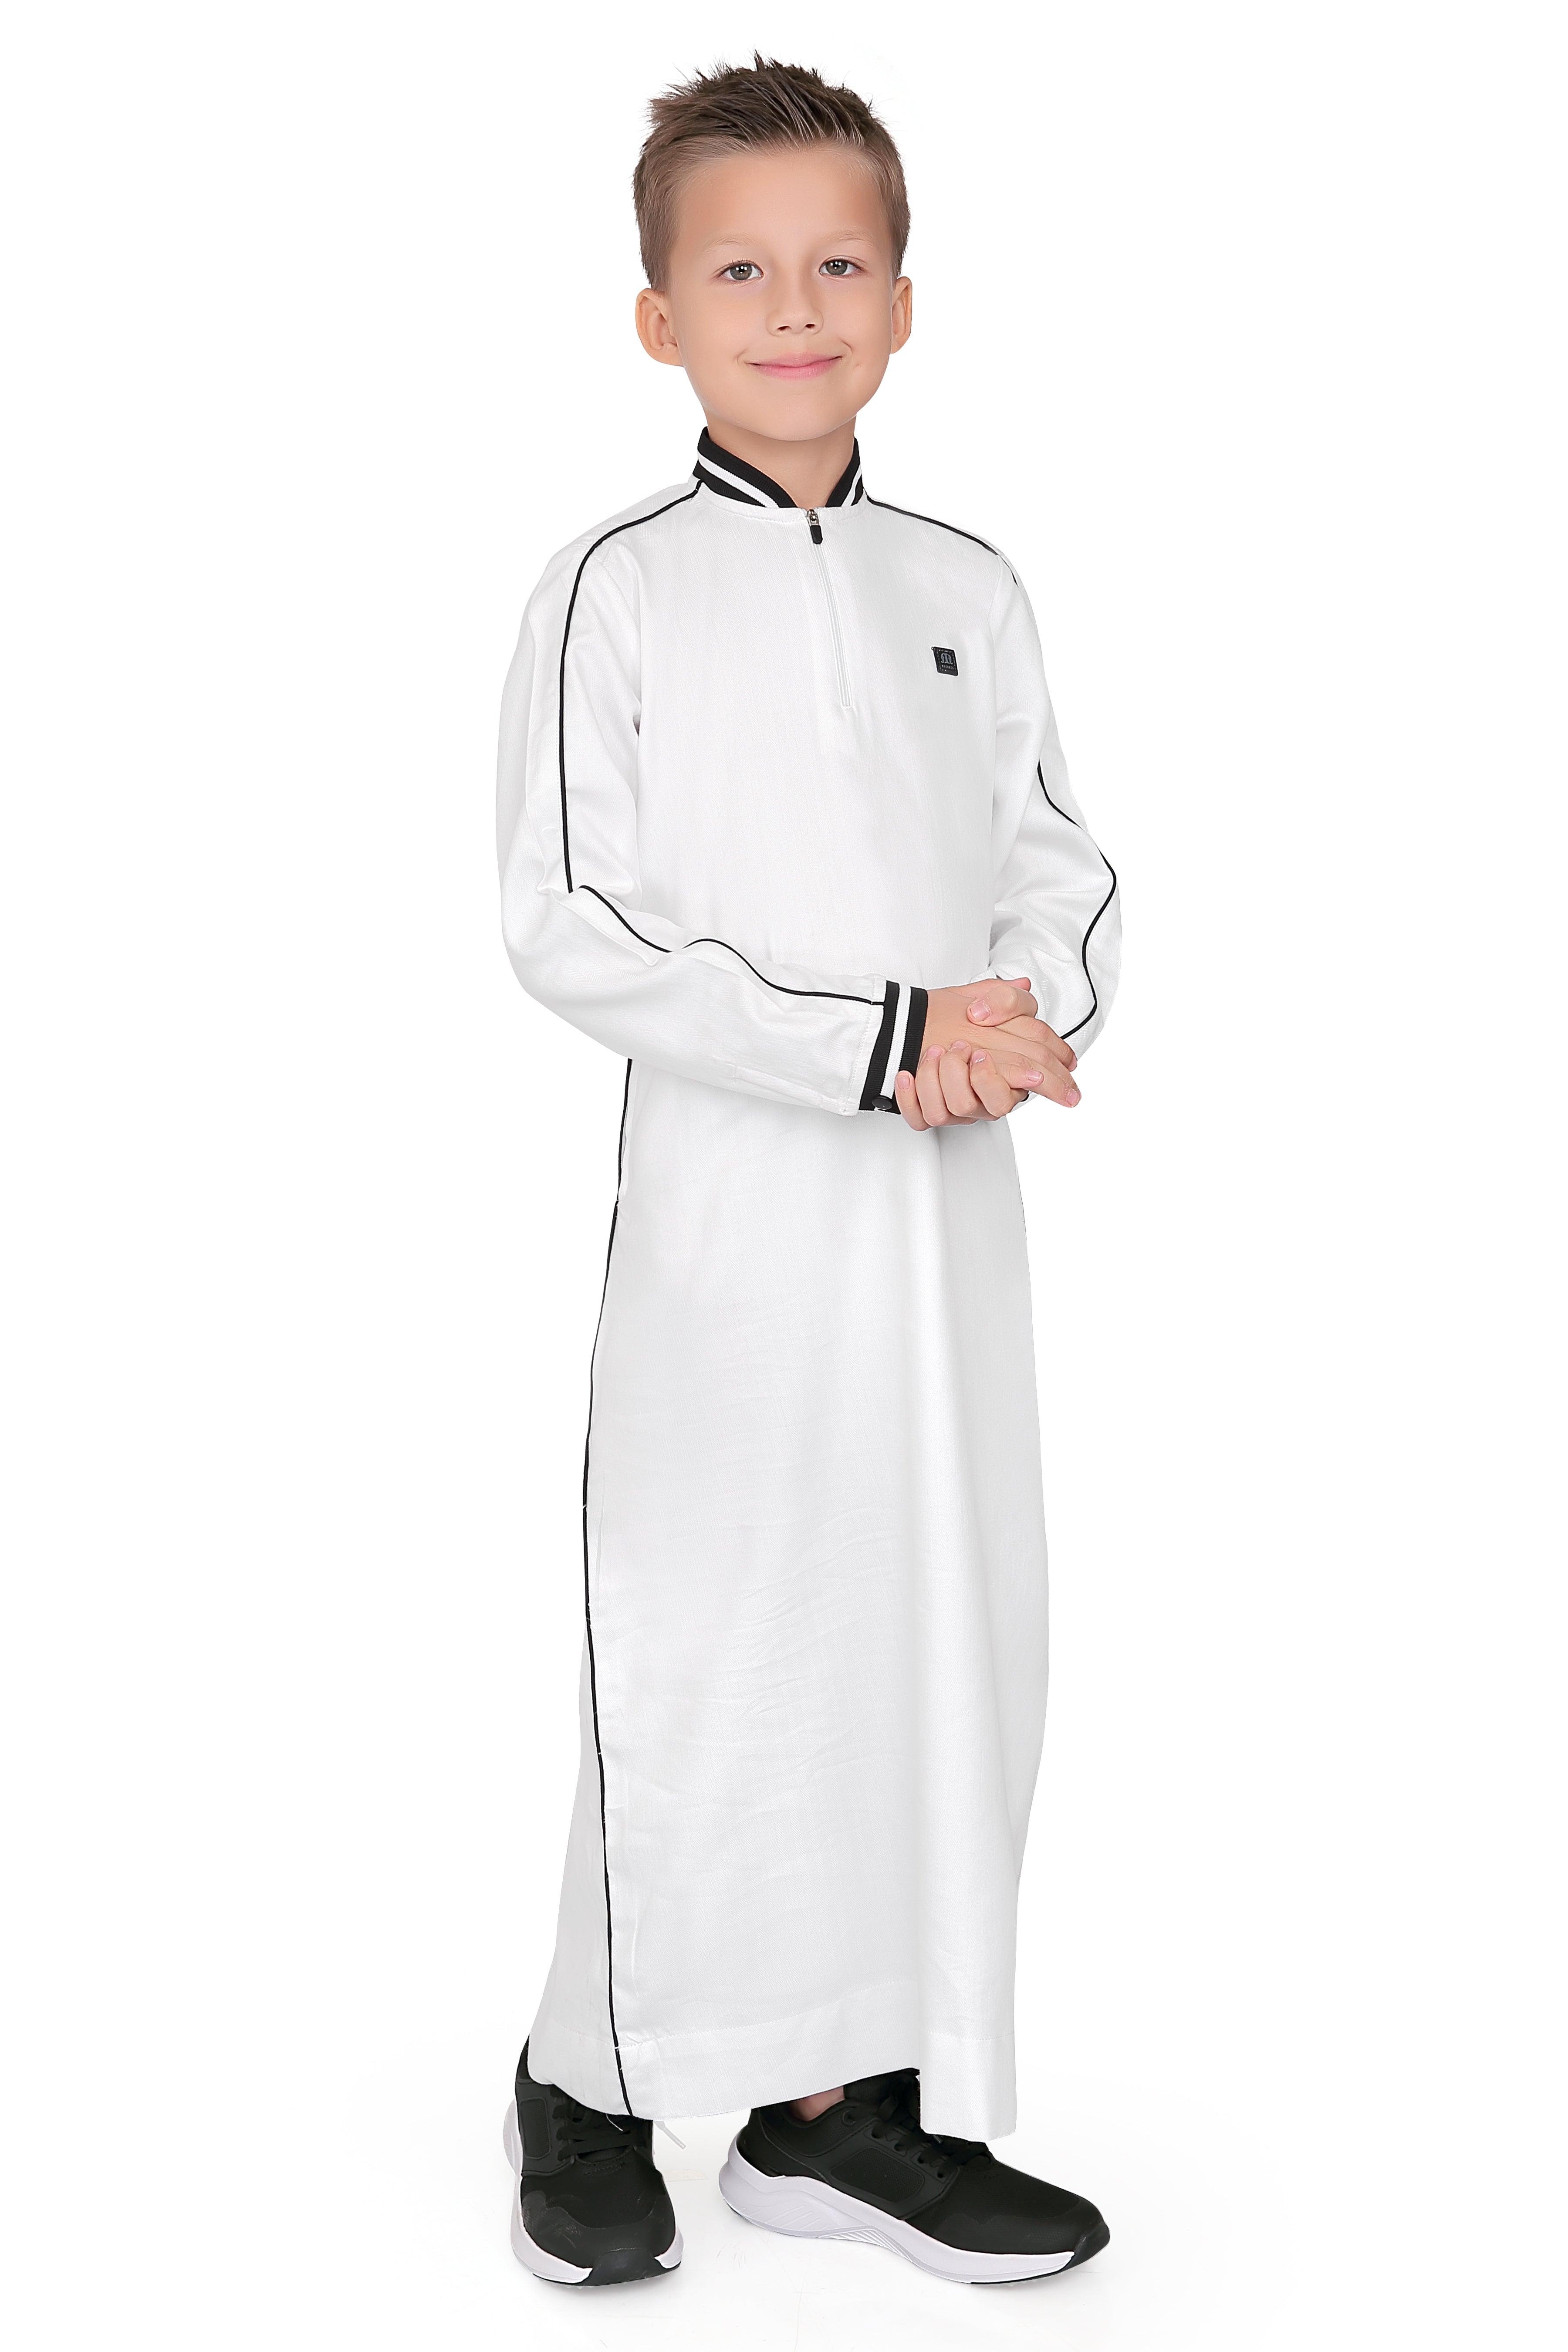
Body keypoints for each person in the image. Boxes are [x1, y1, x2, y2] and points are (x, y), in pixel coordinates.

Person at [494, 54, 1121, 2289]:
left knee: (932, 1629)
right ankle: (588, 2072)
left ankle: (839, 2105)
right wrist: (879, 1042)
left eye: (840, 265)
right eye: (742, 270)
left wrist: (1025, 1012)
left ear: (904, 304)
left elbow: (1054, 853)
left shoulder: (967, 583)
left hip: (947, 1221)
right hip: (740, 1221)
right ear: (659, 314)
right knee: (713, 1628)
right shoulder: (620, 590)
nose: (795, 308)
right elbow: (573, 924)